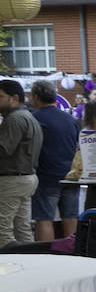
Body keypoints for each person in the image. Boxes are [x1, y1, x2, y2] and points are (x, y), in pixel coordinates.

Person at [27, 79, 80, 241]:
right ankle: (73, 253)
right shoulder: (70, 119)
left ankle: (45, 256)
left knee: (44, 218)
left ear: (36, 96)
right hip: (71, 176)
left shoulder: (33, 119)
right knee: (70, 216)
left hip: (46, 176)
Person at [0, 79, 42, 247]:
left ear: (14, 98)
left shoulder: (14, 119)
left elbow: (2, 149)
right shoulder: (27, 116)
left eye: (0, 96)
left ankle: (7, 267)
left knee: (3, 228)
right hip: (25, 178)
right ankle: (29, 263)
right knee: (22, 227)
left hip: (12, 180)